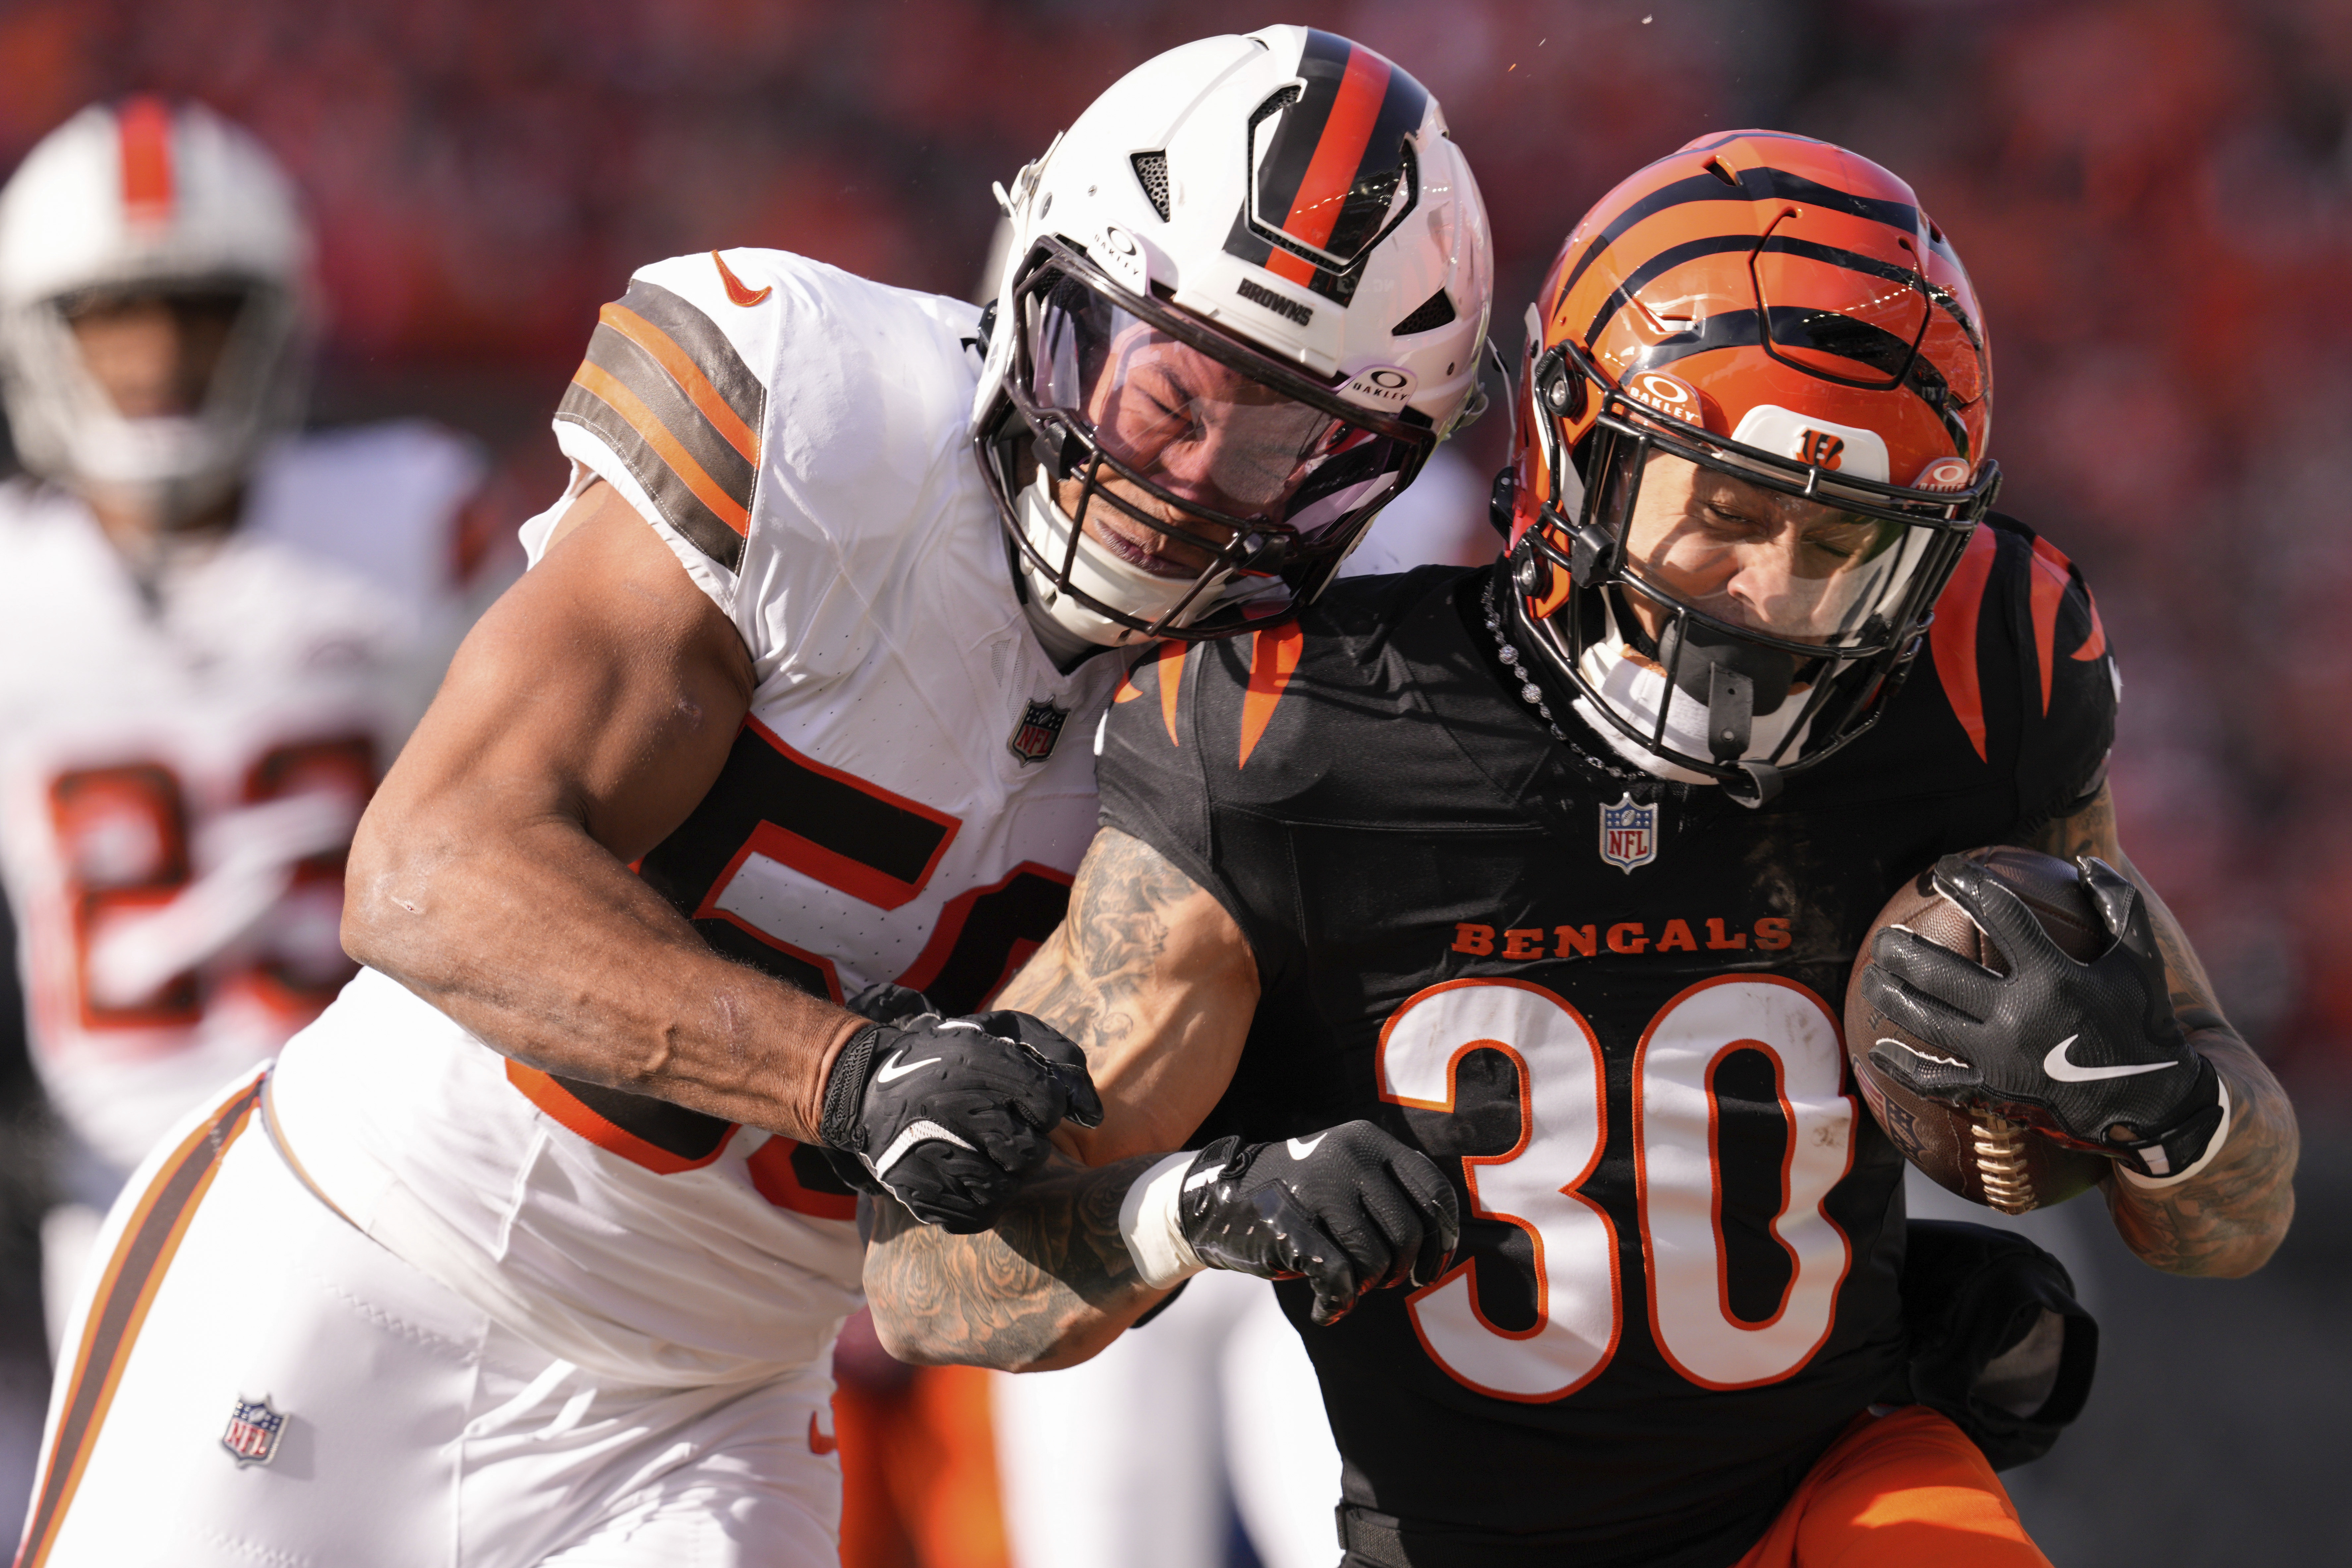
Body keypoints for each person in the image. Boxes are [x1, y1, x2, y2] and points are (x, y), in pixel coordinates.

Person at [12, 27, 1493, 1568]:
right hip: (355, 1266)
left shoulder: (1281, 707)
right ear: (1046, 292)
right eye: (1165, 392)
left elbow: (939, 1292)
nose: (1188, 480)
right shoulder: (830, 415)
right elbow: (430, 871)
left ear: (1371, 475)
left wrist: (1188, 1208)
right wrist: (845, 1074)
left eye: (1283, 444)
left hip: (705, 1412)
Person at [862, 131, 2300, 1568]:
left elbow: (2234, 1216)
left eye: (1847, 542)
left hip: (1833, 1490)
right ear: (1576, 444)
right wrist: (1199, 1210)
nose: (1775, 597)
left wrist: (2166, 1112)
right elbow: (935, 1279)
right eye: (1730, 512)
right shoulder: (1294, 733)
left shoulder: (1980, 673)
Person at [0, 97, 491, 1547]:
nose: (156, 361)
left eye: (195, 318)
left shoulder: (408, 519)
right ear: (41, 337)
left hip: (394, 1152)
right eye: (116, 323)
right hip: (116, 1191)